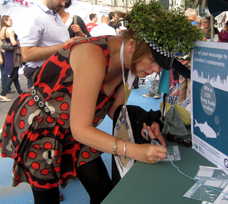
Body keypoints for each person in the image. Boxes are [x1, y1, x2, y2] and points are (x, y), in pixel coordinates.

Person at [0, 1, 201, 204]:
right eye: (153, 60)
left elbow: (115, 110)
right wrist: (134, 150)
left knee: (103, 190)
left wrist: (145, 122)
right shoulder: (93, 54)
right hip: (42, 123)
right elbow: (81, 129)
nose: (158, 70)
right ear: (132, 46)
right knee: (47, 199)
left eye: (162, 65)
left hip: (75, 126)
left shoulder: (129, 65)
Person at [20, 0, 81, 89]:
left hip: (57, 74)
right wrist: (64, 46)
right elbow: (27, 54)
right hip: (43, 76)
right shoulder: (33, 15)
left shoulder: (54, 14)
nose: (63, 4)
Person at [0, 15, 23, 102]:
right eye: (10, 20)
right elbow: (13, 43)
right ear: (5, 21)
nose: (12, 22)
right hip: (14, 54)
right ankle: (3, 94)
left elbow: (1, 44)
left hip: (7, 54)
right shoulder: (9, 29)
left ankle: (20, 92)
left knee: (15, 75)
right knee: (13, 74)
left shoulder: (1, 30)